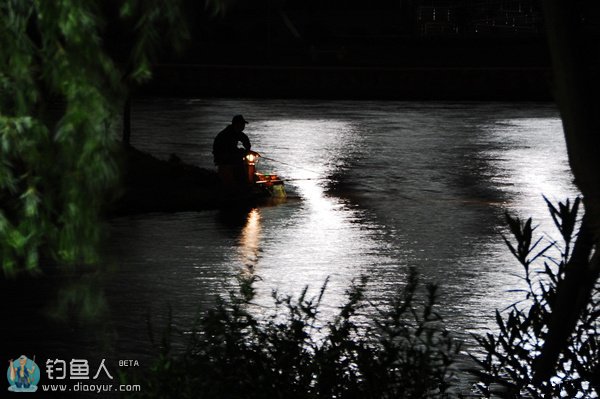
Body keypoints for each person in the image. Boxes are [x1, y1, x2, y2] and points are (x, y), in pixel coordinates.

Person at [213, 115, 254, 186]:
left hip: (227, 155)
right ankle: (241, 183)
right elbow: (230, 149)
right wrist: (243, 151)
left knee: (240, 159)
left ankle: (242, 182)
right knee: (239, 162)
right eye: (242, 124)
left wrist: (247, 149)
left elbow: (244, 139)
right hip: (222, 157)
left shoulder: (236, 132)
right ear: (237, 124)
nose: (244, 126)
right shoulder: (227, 134)